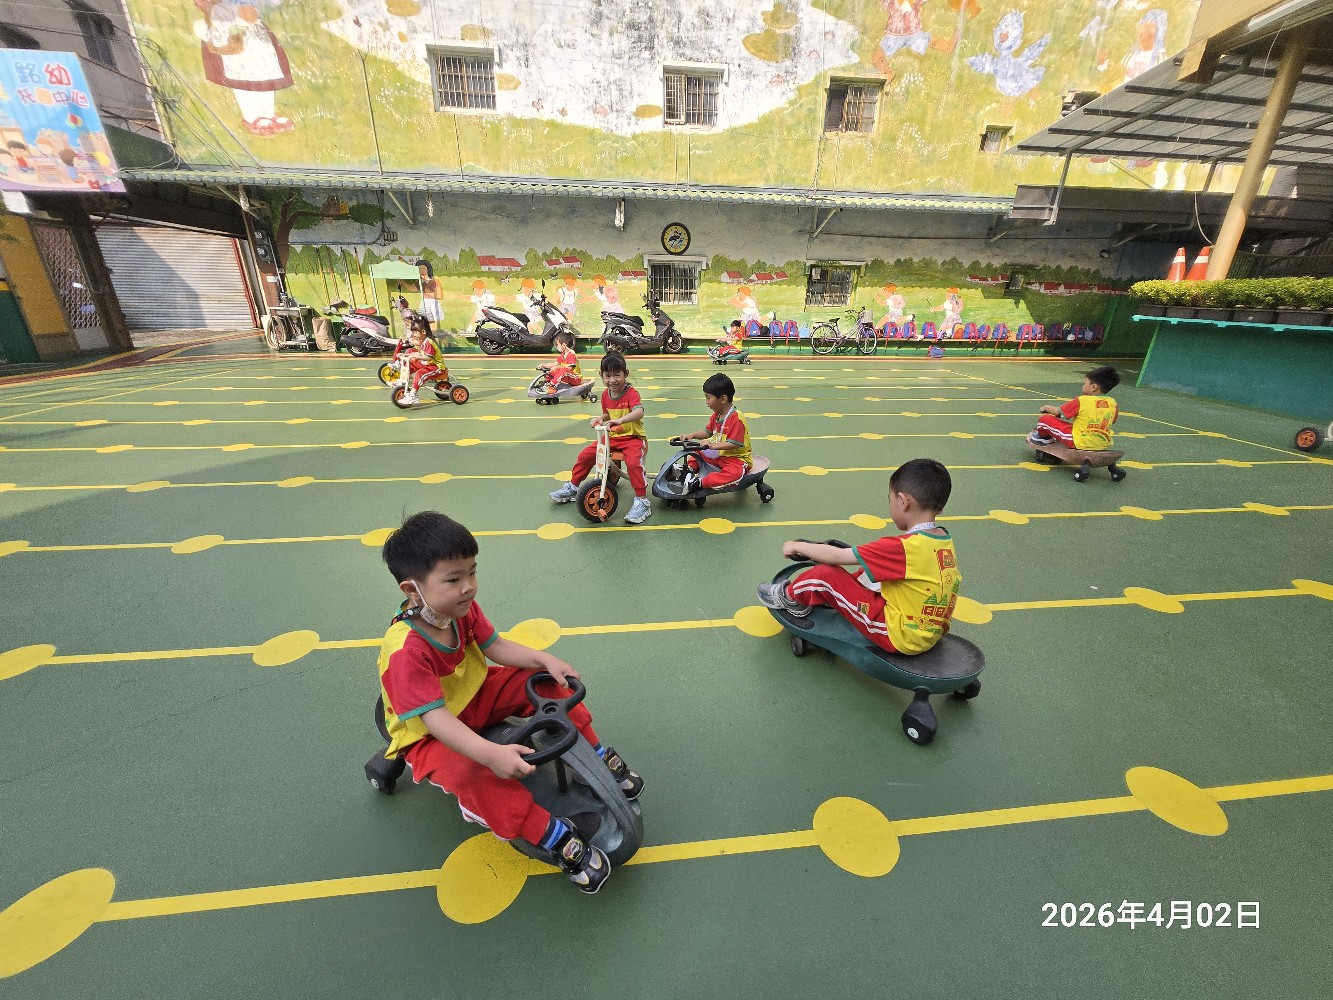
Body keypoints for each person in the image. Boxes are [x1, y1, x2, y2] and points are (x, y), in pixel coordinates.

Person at [376, 511, 643, 894]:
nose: (469, 587)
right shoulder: (405, 651)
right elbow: (435, 720)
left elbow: (495, 646)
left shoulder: (459, 610)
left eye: (472, 572)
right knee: (473, 774)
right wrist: (490, 755)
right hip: (429, 732)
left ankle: (595, 756)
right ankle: (551, 835)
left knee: (547, 685)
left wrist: (544, 661)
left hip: (475, 695)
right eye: (454, 579)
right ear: (412, 589)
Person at [757, 459, 962, 655]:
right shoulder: (942, 539)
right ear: (940, 507)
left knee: (825, 575)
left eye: (890, 499)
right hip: (929, 631)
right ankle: (832, 599)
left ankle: (789, 597)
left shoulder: (904, 547)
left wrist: (797, 546)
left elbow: (838, 556)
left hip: (898, 634)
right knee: (869, 571)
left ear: (903, 502)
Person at [549, 352, 652, 524]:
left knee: (634, 463)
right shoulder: (605, 395)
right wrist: (600, 418)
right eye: (608, 376)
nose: (612, 380)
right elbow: (607, 413)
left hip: (633, 437)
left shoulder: (631, 393)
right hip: (613, 436)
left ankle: (642, 501)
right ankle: (573, 486)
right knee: (586, 455)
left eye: (617, 375)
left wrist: (621, 420)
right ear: (601, 376)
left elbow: (639, 411)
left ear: (626, 374)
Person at [677, 373, 751, 493]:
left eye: (708, 398)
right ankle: (690, 469)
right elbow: (707, 432)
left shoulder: (736, 417)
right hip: (719, 455)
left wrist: (712, 445)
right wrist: (692, 435)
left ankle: (700, 483)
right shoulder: (716, 415)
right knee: (698, 451)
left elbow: (735, 443)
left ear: (723, 399)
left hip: (736, 459)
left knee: (734, 473)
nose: (706, 402)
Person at [1027, 365, 1121, 451]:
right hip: (1103, 442)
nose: (1083, 385)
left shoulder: (1082, 400)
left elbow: (1058, 412)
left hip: (1079, 441)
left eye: (1085, 382)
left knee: (1044, 419)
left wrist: (1046, 407)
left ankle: (1044, 438)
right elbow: (1112, 421)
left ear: (1093, 387)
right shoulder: (1112, 402)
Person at [396, 318, 445, 406]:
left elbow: (428, 357)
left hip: (437, 367)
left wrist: (417, 357)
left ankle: (413, 395)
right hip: (427, 365)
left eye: (415, 332)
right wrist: (407, 355)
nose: (414, 334)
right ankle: (402, 381)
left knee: (419, 373)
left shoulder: (428, 342)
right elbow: (419, 353)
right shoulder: (422, 342)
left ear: (423, 331)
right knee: (410, 363)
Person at [539, 329, 582, 395]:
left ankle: (551, 386)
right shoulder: (563, 354)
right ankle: (547, 382)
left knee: (562, 370)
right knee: (553, 370)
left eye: (558, 345)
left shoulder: (571, 354)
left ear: (564, 345)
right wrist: (543, 365)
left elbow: (569, 368)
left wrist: (557, 368)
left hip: (576, 378)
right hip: (567, 376)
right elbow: (555, 363)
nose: (557, 347)